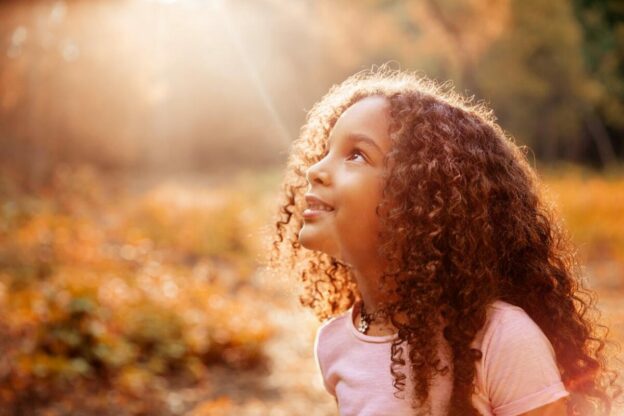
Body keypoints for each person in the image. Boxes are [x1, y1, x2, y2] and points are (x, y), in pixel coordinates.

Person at [267, 66, 622, 415]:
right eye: (325, 152)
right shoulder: (335, 343)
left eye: (356, 154)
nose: (315, 170)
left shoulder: (502, 338)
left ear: (419, 199)